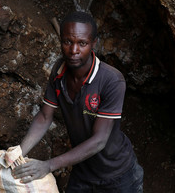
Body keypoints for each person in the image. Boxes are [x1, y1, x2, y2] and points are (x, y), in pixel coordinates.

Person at [13, 11, 143, 192]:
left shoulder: (111, 80)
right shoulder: (59, 71)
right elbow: (44, 117)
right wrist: (17, 154)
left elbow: (99, 140)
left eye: (82, 43)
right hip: (83, 172)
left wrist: (48, 165)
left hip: (118, 175)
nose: (74, 51)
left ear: (93, 43)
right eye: (67, 42)